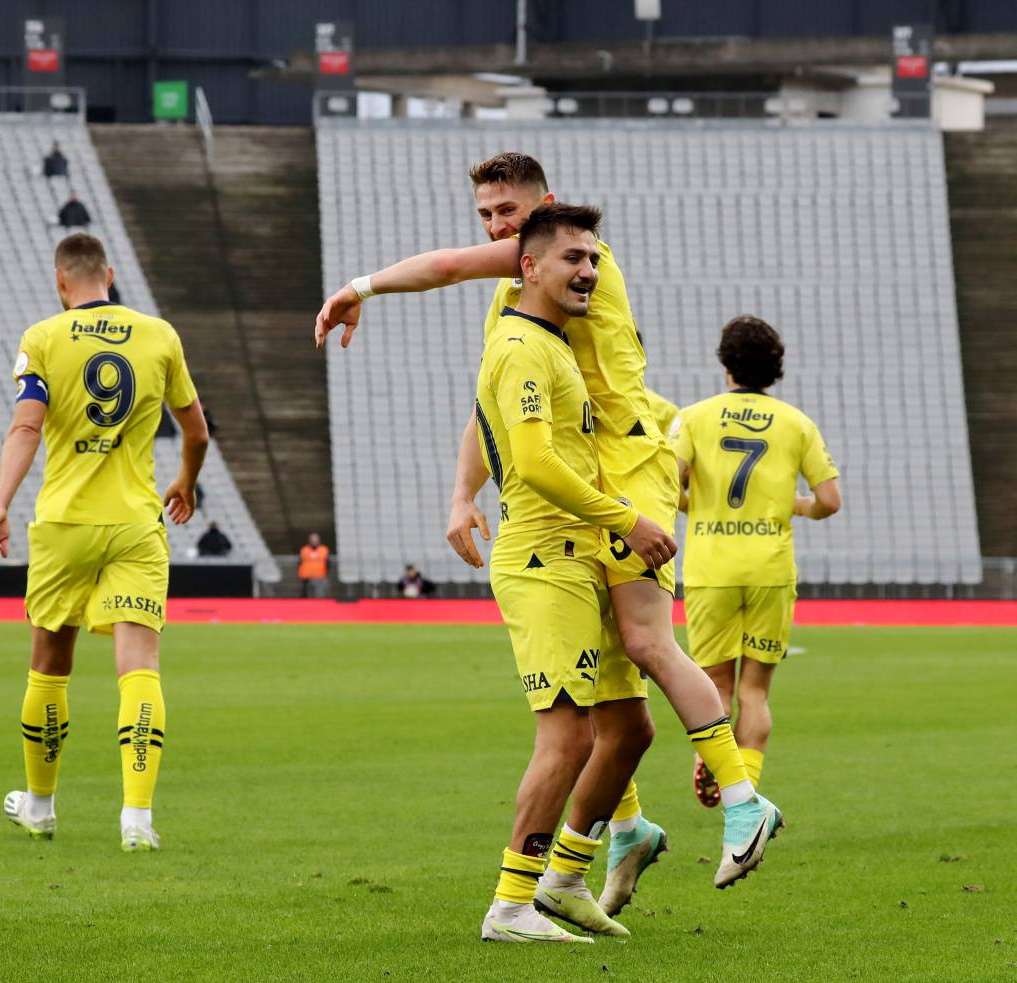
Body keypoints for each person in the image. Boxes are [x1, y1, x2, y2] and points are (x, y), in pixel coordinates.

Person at [315, 152, 782, 897]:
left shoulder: (572, 262)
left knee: (643, 639)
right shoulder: (519, 299)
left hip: (628, 470)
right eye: (488, 216)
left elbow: (442, 266)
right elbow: (489, 403)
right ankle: (615, 837)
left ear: (548, 210)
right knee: (605, 688)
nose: (499, 227)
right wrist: (461, 495)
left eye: (509, 211)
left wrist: (359, 286)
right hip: (584, 487)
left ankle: (742, 798)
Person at [473, 203, 676, 941]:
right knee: (567, 739)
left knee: (628, 728)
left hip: (579, 554)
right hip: (544, 556)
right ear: (529, 267)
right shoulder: (522, 347)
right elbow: (530, 461)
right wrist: (627, 518)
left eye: (593, 259)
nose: (588, 270)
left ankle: (563, 879)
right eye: (572, 259)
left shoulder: (558, 345)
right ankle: (510, 903)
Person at [0, 231, 208, 852]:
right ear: (108, 274)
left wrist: (1, 504)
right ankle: (137, 819)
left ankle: (40, 805)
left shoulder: (43, 338)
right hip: (136, 524)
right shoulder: (159, 335)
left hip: (64, 524)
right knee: (140, 671)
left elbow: (27, 424)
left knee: (50, 666)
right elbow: (197, 430)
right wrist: (185, 482)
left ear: (62, 283)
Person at [671, 315, 840, 806]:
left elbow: (669, 482)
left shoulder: (694, 417)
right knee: (757, 694)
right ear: (775, 369)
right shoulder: (796, 423)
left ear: (726, 363)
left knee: (717, 692)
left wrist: (696, 504)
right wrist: (801, 507)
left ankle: (717, 762)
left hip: (712, 570)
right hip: (770, 567)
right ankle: (746, 799)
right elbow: (829, 498)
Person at [298, 532, 330, 597]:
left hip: (319, 576)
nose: (314, 541)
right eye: (312, 540)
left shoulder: (324, 549)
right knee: (306, 596)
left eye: (315, 540)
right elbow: (300, 562)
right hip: (306, 577)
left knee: (319, 595)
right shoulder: (304, 549)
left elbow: (328, 563)